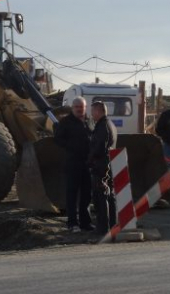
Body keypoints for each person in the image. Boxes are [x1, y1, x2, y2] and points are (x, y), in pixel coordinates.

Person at [53, 97, 93, 233]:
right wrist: (72, 147)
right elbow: (58, 139)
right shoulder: (65, 122)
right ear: (72, 108)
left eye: (82, 107)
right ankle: (72, 223)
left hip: (87, 163)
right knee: (72, 194)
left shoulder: (89, 121)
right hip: (73, 162)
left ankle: (85, 222)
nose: (79, 109)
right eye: (77, 107)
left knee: (87, 194)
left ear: (85, 107)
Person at [87, 100, 117, 241]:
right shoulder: (109, 124)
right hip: (107, 164)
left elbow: (99, 148)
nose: (91, 114)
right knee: (109, 195)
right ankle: (112, 223)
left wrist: (90, 161)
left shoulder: (102, 126)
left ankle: (102, 227)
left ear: (98, 111)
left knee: (101, 196)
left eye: (92, 111)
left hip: (101, 166)